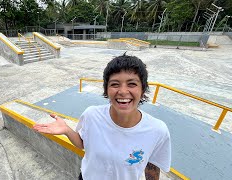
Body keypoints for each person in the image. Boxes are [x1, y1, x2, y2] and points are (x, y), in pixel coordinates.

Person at [33, 53, 171, 180]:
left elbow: (152, 167)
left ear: (143, 89)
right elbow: (82, 144)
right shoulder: (91, 115)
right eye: (115, 84)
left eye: (132, 84)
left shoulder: (157, 130)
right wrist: (67, 130)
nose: (123, 91)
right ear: (106, 89)